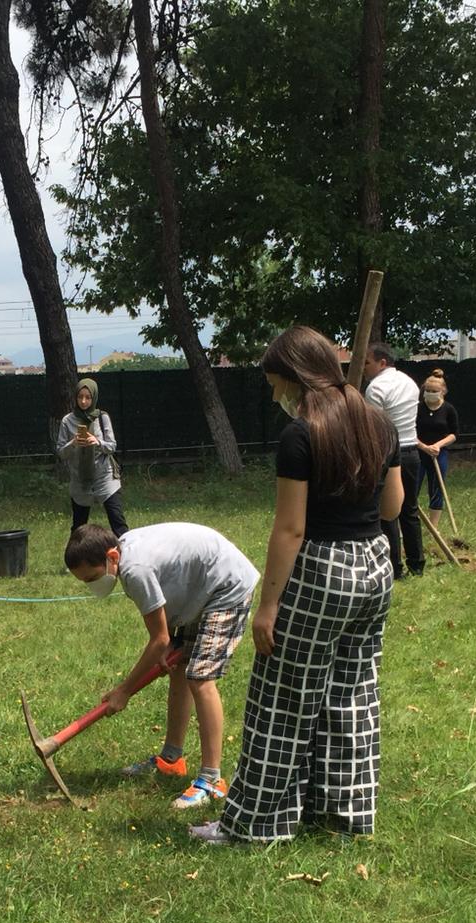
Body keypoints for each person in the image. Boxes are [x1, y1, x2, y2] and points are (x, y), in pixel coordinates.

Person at [190, 325, 403, 846]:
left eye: (276, 384)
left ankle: (257, 826)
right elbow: (394, 507)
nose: (274, 395)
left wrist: (268, 607)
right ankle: (343, 814)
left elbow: (291, 528)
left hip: (321, 571)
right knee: (352, 695)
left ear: (298, 377)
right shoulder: (379, 423)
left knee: (282, 700)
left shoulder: (301, 434)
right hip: (376, 566)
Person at [64, 522, 259, 809]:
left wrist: (124, 690)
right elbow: (164, 635)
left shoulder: (135, 570)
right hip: (200, 588)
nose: (92, 585)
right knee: (180, 668)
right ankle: (171, 759)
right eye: (85, 582)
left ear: (112, 557)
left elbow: (159, 639)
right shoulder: (125, 553)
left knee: (201, 678)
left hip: (226, 587)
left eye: (92, 577)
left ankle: (212, 780)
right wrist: (164, 648)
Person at [363, 343, 424, 577]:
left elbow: (373, 429)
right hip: (412, 451)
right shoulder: (409, 382)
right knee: (410, 509)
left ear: (382, 363)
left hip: (387, 453)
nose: (365, 368)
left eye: (367, 363)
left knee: (388, 511)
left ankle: (394, 566)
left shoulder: (375, 388)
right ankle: (417, 564)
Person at [57, 378, 128, 535]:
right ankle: (75, 559)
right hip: (80, 480)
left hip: (104, 477)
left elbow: (112, 446)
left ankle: (127, 556)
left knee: (118, 521)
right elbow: (61, 452)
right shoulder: (67, 420)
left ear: (94, 397)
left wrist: (97, 442)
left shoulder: (102, 418)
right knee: (78, 527)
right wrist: (73, 443)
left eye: (88, 397)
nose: (83, 401)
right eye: (80, 397)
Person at [414, 368, 458, 511]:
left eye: (434, 391)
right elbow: (409, 431)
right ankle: (404, 526)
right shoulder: (417, 408)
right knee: (411, 489)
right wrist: (424, 447)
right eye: (428, 390)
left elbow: (454, 434)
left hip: (439, 454)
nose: (431, 394)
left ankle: (434, 527)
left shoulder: (448, 409)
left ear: (443, 391)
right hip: (418, 453)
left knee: (437, 490)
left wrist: (437, 446)